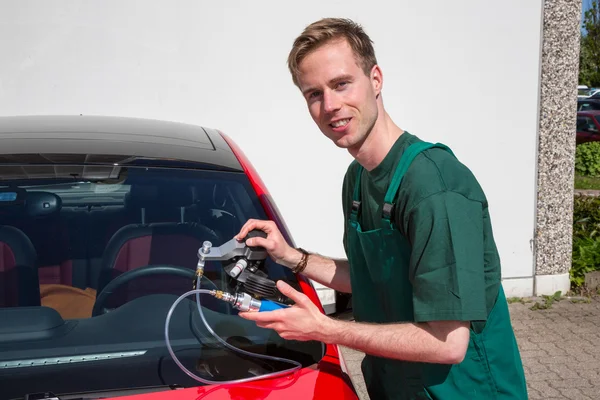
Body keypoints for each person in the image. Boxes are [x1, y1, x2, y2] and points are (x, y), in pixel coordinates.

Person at [236, 18, 528, 399]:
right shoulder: (356, 179)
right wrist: (291, 257)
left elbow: (448, 343)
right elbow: (371, 280)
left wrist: (325, 329)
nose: (330, 105)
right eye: (314, 94)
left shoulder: (435, 188)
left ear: (375, 79)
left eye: (341, 84)